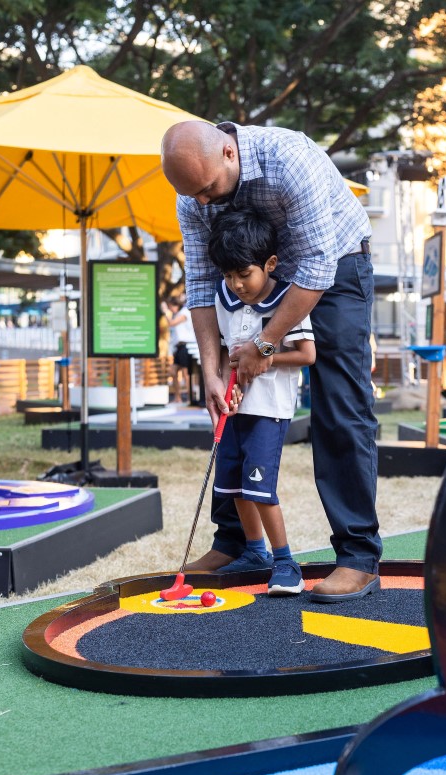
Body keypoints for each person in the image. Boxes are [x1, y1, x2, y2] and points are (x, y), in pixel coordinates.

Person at [161, 119, 381, 602]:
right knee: (231, 407)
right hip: (247, 277)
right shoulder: (192, 191)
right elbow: (200, 282)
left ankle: (358, 556)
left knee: (340, 408)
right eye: (191, 194)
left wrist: (264, 345)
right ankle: (239, 544)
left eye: (207, 190)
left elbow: (318, 266)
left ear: (227, 154)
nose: (201, 203)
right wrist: (212, 369)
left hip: (335, 266)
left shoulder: (289, 158)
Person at [209, 207, 315, 595]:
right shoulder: (224, 298)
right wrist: (223, 383)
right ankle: (255, 552)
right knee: (234, 486)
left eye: (244, 274)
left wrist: (265, 358)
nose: (236, 284)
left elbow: (306, 354)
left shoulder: (288, 300)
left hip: (268, 411)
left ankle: (286, 561)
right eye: (228, 275)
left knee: (260, 488)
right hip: (233, 410)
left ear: (269, 264)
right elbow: (224, 351)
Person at [167, 295, 204, 404]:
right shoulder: (177, 314)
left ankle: (189, 397)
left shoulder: (184, 312)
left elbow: (171, 323)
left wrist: (165, 312)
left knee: (185, 372)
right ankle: (177, 397)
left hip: (187, 346)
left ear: (175, 305)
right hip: (178, 347)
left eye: (170, 307)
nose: (169, 309)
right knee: (173, 371)